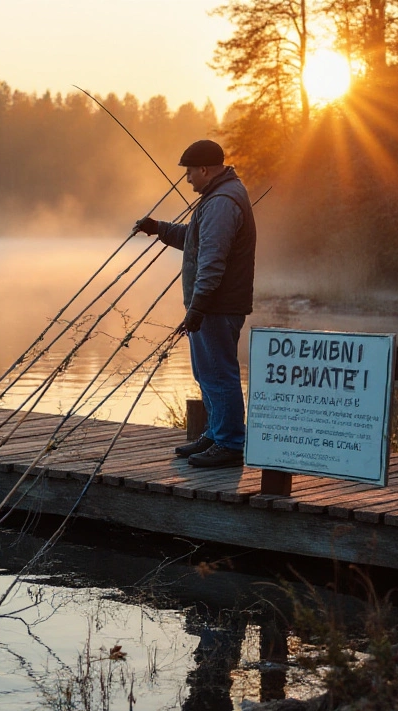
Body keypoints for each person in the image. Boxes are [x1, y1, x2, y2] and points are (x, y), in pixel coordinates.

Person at [132, 139, 256, 469]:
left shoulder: (221, 202)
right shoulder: (217, 197)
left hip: (217, 305)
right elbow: (195, 239)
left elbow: (212, 260)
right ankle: (216, 434)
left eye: (189, 172)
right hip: (213, 305)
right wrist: (157, 228)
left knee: (218, 374)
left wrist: (198, 307)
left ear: (204, 169)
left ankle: (230, 443)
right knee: (206, 372)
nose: (186, 179)